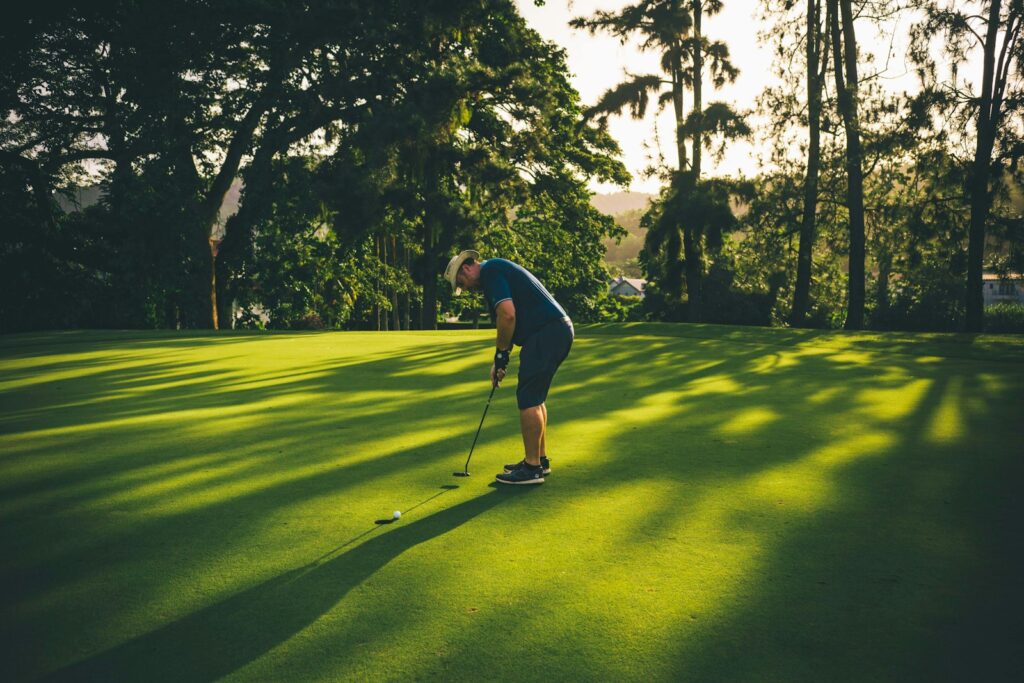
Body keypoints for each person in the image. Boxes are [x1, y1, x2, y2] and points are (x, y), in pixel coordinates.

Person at [444, 250, 574, 485]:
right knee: (535, 397)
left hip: (547, 332)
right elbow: (512, 319)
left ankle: (532, 468)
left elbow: (507, 315)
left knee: (528, 399)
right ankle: (539, 461)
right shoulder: (497, 270)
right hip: (555, 330)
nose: (467, 289)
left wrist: (502, 353)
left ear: (466, 268)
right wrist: (501, 360)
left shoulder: (491, 271)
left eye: (462, 283)